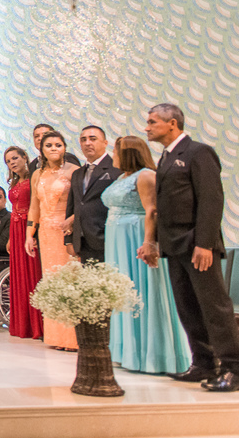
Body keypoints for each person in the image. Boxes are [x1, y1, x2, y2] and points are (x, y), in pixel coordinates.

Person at [143, 103, 239, 391]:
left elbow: (211, 200)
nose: (147, 127)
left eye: (152, 122)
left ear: (172, 124)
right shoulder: (166, 158)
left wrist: (205, 244)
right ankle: (203, 363)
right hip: (174, 246)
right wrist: (155, 242)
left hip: (197, 244)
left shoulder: (198, 152)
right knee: (188, 308)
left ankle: (234, 368)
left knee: (214, 308)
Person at [104, 135, 190, 374]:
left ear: (129, 153)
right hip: (116, 238)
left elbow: (152, 210)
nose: (114, 155)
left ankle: (153, 354)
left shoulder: (145, 175)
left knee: (142, 289)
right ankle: (126, 350)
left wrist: (148, 242)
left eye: (117, 151)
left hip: (135, 236)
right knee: (122, 292)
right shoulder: (123, 177)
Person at [26, 129, 78, 351]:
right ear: (42, 150)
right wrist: (30, 234)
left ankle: (74, 338)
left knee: (70, 282)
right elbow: (34, 206)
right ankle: (57, 337)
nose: (54, 149)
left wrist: (72, 220)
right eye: (49, 146)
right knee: (52, 282)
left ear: (64, 147)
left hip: (66, 231)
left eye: (58, 145)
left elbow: (82, 203)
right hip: (46, 233)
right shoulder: (37, 174)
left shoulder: (75, 171)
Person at [64, 125, 120, 264]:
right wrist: (69, 240)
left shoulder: (116, 169)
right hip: (82, 241)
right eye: (83, 140)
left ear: (105, 143)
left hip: (108, 238)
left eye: (93, 139)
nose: (87, 143)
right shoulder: (77, 174)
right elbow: (73, 206)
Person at [3, 145, 43, 340]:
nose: (12, 162)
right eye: (9, 161)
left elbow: (37, 206)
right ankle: (22, 323)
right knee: (19, 274)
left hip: (29, 225)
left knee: (32, 272)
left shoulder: (34, 177)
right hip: (15, 229)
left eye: (15, 158)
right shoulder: (14, 182)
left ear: (24, 157)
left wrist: (33, 231)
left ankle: (37, 324)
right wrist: (11, 238)